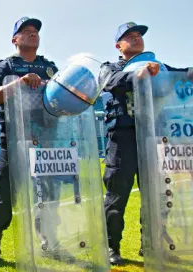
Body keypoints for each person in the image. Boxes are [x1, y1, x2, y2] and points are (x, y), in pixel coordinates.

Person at [99, 22, 191, 265]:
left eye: (139, 35)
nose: (137, 38)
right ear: (119, 45)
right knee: (117, 196)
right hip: (123, 138)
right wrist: (138, 73)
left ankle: (151, 244)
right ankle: (112, 246)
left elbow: (180, 76)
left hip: (154, 137)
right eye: (130, 36)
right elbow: (112, 82)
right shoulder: (110, 67)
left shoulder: (159, 67)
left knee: (158, 195)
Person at [0, 16, 60, 268]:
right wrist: (19, 82)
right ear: (15, 39)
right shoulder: (6, 66)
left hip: (46, 142)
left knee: (49, 195)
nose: (32, 33)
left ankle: (50, 239)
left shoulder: (49, 67)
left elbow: (64, 97)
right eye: (26, 31)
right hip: (15, 143)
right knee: (3, 196)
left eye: (35, 30)